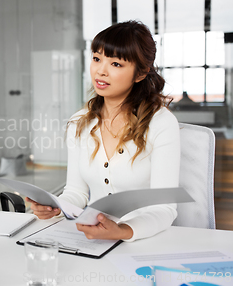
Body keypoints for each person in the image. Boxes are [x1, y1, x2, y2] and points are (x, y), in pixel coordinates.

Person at [27, 21, 180, 242]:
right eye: (97, 59)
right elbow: (76, 193)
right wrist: (56, 207)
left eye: (116, 64)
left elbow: (165, 207)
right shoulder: (79, 122)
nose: (101, 70)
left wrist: (124, 230)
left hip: (144, 241)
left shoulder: (161, 123)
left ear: (140, 73)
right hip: (92, 239)